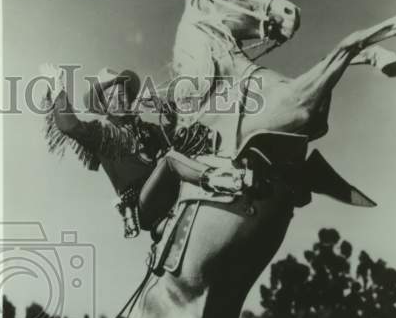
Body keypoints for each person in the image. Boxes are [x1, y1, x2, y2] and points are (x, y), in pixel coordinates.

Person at [42, 65, 248, 236]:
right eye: (111, 96)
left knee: (189, 144)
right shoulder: (100, 133)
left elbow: (173, 133)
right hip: (144, 205)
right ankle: (218, 180)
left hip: (170, 191)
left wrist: (160, 105)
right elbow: (69, 126)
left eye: (122, 94)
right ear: (103, 105)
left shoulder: (146, 130)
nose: (118, 99)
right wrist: (57, 86)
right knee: (170, 161)